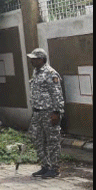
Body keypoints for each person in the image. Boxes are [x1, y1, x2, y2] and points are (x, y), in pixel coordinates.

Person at [27, 48, 64, 178]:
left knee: (52, 141)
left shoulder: (51, 73)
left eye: (34, 59)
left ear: (41, 59)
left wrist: (56, 112)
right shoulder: (36, 72)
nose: (32, 61)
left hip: (49, 112)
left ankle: (54, 168)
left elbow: (57, 94)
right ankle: (45, 166)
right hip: (37, 113)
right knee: (38, 139)